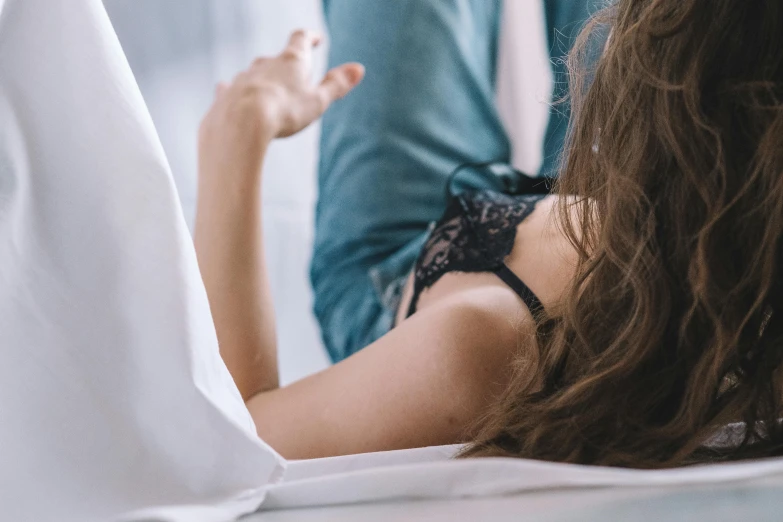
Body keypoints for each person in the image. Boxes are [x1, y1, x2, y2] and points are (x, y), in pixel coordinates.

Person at [195, 0, 783, 467]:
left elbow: (239, 433)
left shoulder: (480, 352)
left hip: (403, 259)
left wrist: (237, 136)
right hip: (642, 219)